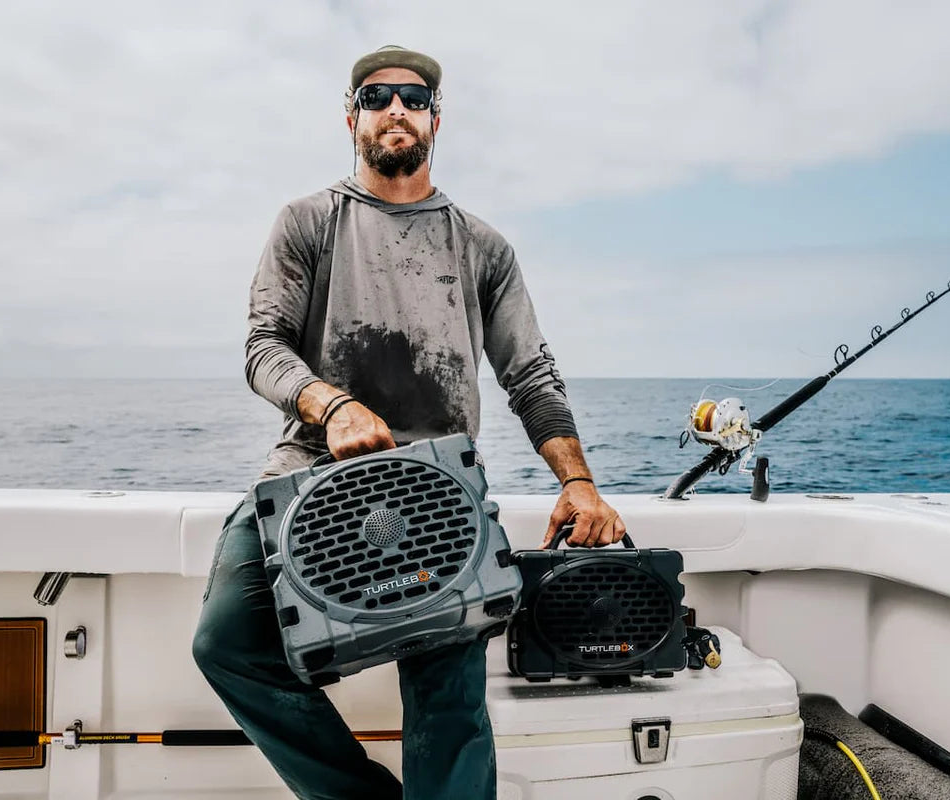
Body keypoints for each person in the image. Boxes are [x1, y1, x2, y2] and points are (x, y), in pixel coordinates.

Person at [192, 45, 626, 800]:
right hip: (311, 475)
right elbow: (264, 347)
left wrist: (579, 483)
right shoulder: (307, 222)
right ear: (352, 118)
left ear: (435, 120)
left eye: (415, 98)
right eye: (378, 96)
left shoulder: (484, 247)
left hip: (437, 493)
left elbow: (530, 375)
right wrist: (332, 405)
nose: (397, 108)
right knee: (226, 642)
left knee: (449, 704)